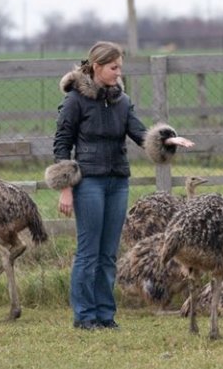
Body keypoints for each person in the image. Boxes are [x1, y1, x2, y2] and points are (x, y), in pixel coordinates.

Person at [45, 41, 194, 330]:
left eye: (120, 67)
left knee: (108, 253)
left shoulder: (122, 102)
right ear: (97, 67)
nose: (118, 72)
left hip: (117, 182)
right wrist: (65, 187)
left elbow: (139, 133)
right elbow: (62, 144)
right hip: (88, 183)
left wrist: (166, 139)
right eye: (113, 68)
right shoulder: (75, 102)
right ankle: (84, 315)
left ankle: (105, 314)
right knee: (88, 251)